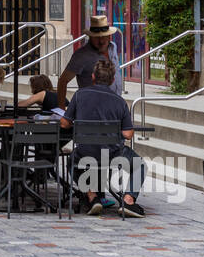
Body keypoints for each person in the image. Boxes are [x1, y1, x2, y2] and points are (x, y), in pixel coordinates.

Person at [62, 58, 145, 218]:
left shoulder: (80, 95)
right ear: (113, 80)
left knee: (72, 161)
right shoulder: (119, 101)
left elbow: (65, 123)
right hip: (113, 155)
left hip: (85, 153)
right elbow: (128, 134)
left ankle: (92, 197)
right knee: (139, 165)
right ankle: (128, 201)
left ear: (93, 76)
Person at [57, 14, 123, 109]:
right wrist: (61, 109)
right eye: (97, 37)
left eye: (103, 36)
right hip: (92, 109)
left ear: (109, 36)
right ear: (90, 37)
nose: (101, 41)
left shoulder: (113, 47)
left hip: (115, 106)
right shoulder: (81, 55)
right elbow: (63, 81)